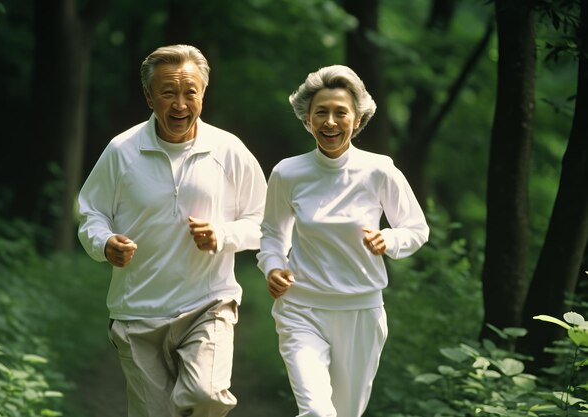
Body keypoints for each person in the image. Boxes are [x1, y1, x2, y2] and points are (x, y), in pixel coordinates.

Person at [77, 44, 267, 417]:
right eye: (168, 93)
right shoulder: (122, 151)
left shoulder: (228, 151)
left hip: (208, 303)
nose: (180, 104)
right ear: (149, 96)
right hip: (137, 311)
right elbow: (91, 213)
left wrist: (223, 235)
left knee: (207, 396)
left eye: (189, 92)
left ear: (203, 94)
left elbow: (266, 222)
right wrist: (104, 243)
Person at [257, 65, 429, 417]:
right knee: (318, 412)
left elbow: (416, 229)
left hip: (360, 310)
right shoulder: (287, 173)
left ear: (358, 118)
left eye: (340, 113)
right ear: (307, 118)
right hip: (301, 308)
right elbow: (273, 232)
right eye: (321, 112)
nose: (330, 122)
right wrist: (273, 266)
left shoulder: (379, 170)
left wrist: (389, 239)